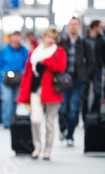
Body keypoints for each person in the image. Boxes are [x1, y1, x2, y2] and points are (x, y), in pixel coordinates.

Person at [17, 26, 67, 161]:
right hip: (36, 89)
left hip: (52, 91)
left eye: (53, 38)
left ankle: (47, 150)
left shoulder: (59, 51)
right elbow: (28, 71)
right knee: (35, 119)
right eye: (48, 37)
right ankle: (37, 146)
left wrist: (45, 61)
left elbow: (60, 67)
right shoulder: (35, 52)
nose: (50, 40)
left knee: (49, 123)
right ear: (43, 37)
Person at [58, 17, 94, 147]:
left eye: (75, 24)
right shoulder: (62, 43)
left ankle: (70, 136)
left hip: (77, 81)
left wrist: (84, 76)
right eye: (71, 24)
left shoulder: (84, 44)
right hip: (63, 80)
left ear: (79, 27)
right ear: (68, 26)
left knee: (73, 109)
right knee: (62, 109)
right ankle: (62, 128)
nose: (73, 26)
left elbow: (91, 63)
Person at [0, 31, 29, 127]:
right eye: (14, 36)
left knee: (15, 100)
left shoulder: (24, 50)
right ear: (11, 38)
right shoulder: (4, 50)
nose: (16, 39)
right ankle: (6, 122)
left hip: (19, 79)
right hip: (6, 79)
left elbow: (27, 64)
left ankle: (13, 120)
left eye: (18, 36)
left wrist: (23, 74)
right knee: (7, 99)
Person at [82, 20, 105, 119]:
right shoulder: (84, 40)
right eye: (100, 26)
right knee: (84, 94)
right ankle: (85, 117)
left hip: (97, 69)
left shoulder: (102, 40)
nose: (102, 28)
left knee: (98, 93)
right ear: (94, 27)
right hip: (86, 70)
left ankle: (93, 114)